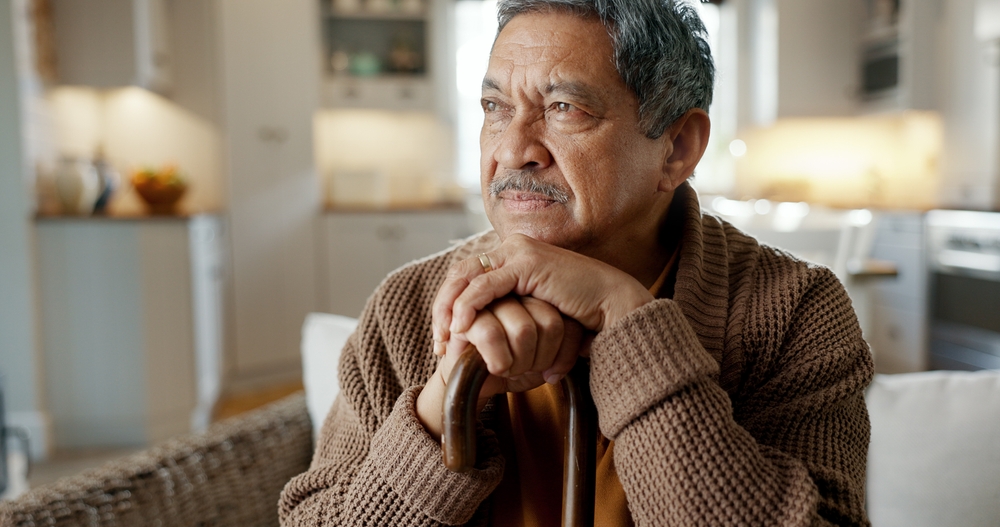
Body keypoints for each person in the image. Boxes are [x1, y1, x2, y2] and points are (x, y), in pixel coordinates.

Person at [280, 0, 874, 525]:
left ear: (678, 147)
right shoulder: (407, 306)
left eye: (564, 107)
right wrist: (443, 406)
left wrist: (627, 322)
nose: (512, 149)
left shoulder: (796, 310)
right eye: (494, 106)